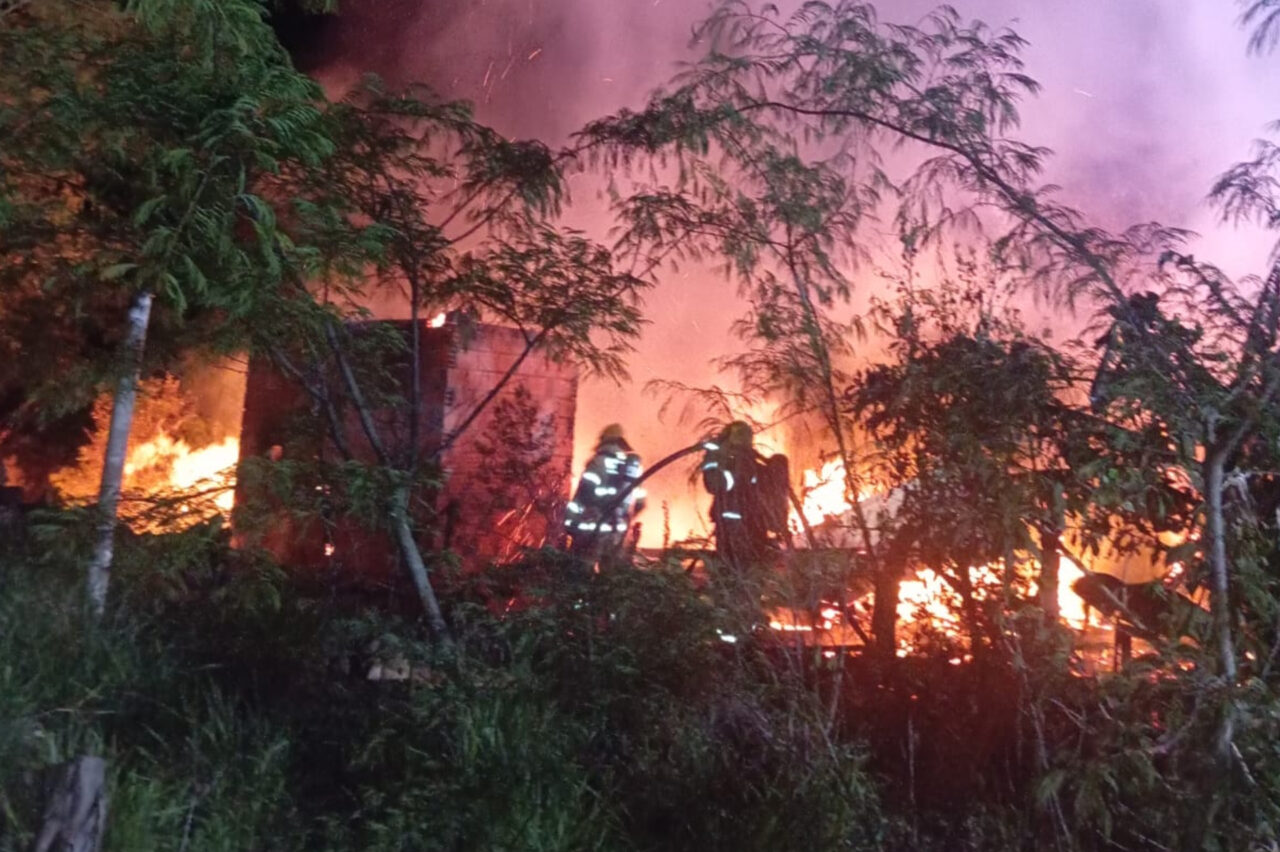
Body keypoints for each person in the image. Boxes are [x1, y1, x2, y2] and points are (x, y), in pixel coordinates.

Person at [700, 421, 790, 571]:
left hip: (744, 529)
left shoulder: (746, 465)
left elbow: (715, 484)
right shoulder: (744, 464)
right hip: (741, 529)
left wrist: (712, 456)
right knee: (741, 575)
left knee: (741, 577)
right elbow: (715, 484)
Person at [564, 424, 646, 561]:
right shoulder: (632, 468)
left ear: (604, 440)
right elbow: (640, 504)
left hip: (591, 530)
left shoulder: (597, 463)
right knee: (610, 577)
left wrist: (570, 524)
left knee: (582, 573)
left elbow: (582, 497)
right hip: (617, 533)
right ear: (622, 443)